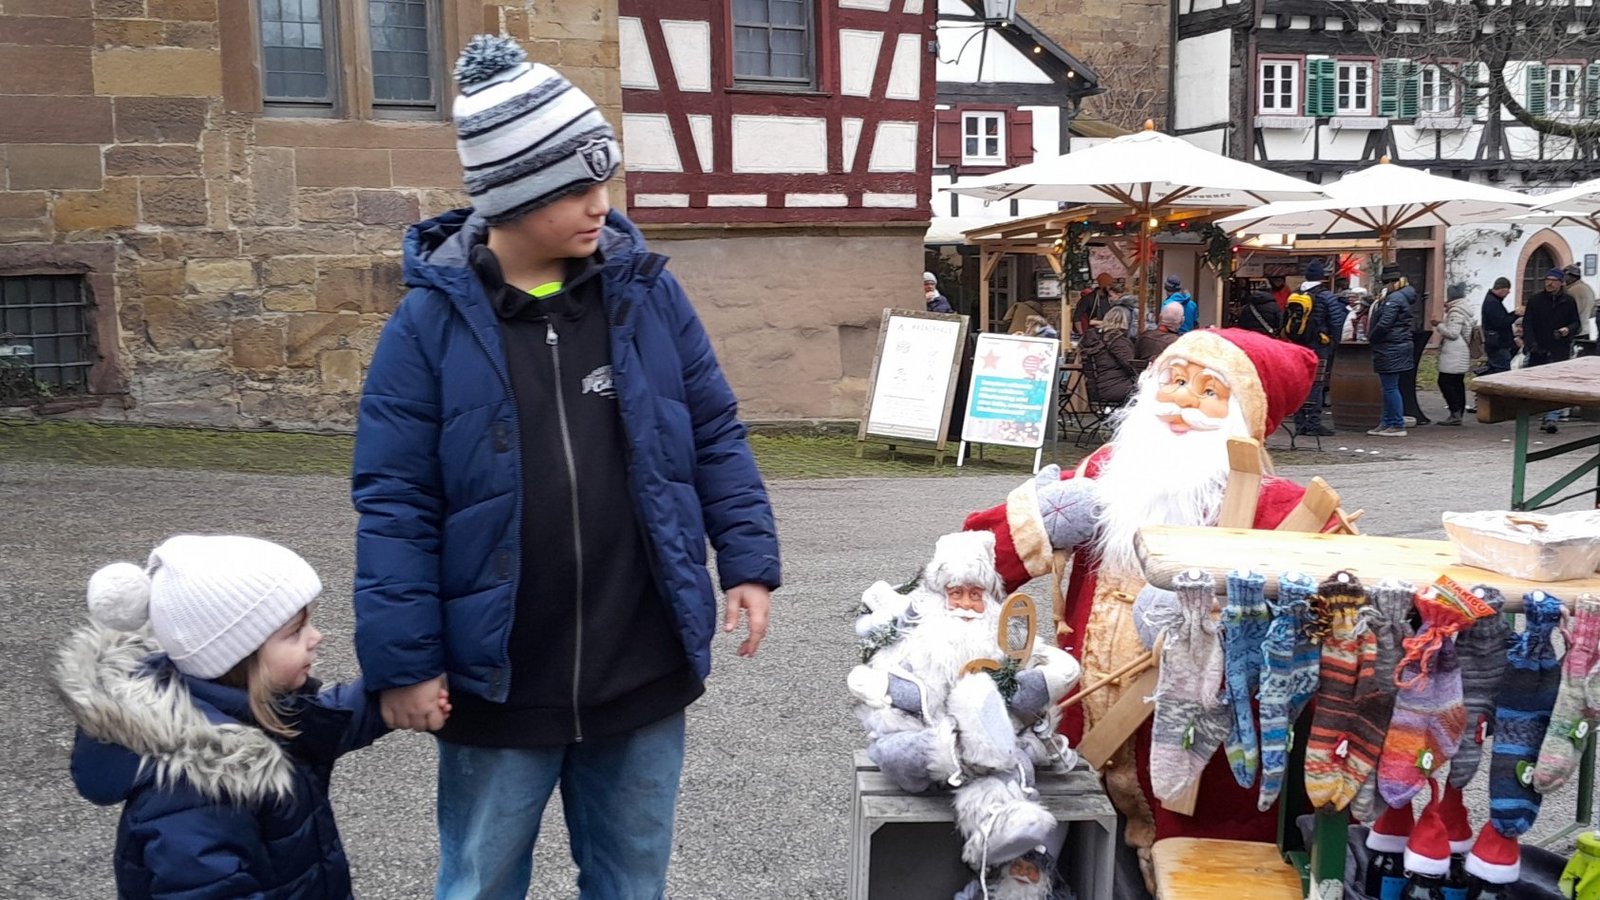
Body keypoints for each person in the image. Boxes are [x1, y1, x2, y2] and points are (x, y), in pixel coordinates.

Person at [352, 36, 782, 900]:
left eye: (605, 183)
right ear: (514, 196)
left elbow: (712, 429)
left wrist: (747, 561)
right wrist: (404, 664)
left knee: (631, 886)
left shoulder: (646, 290)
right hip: (499, 679)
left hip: (643, 662)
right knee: (477, 883)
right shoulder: (426, 328)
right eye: (579, 189)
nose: (602, 206)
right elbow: (394, 502)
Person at [961, 329, 1328, 889]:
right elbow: (980, 554)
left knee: (1205, 869)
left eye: (1209, 392)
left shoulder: (1279, 508)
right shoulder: (1107, 472)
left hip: (1203, 758)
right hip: (1080, 734)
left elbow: (1342, 603)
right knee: (1076, 866)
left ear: (1246, 418)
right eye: (1175, 381)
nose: (1181, 401)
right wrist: (1039, 520)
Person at [55, 535, 419, 899]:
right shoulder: (196, 785)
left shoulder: (251, 710)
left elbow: (327, 718)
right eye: (294, 632)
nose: (317, 637)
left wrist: (397, 691)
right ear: (236, 656)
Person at [848, 531, 1082, 875]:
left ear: (989, 598)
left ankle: (997, 828)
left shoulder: (1006, 636)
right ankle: (991, 805)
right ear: (939, 595)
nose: (966, 605)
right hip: (923, 738)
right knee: (896, 751)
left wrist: (1040, 683)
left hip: (996, 739)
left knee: (988, 716)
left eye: (975, 595)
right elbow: (892, 685)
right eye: (956, 594)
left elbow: (1032, 684)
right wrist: (884, 687)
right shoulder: (916, 635)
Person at [1523, 266, 1583, 433]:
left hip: (1559, 348)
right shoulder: (1536, 300)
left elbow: (1576, 323)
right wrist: (1531, 344)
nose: (1549, 284)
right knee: (1535, 383)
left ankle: (1551, 418)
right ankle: (1534, 412)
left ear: (1561, 283)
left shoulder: (1568, 301)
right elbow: (1528, 324)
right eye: (1547, 280)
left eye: (1553, 281)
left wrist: (1567, 330)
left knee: (1555, 384)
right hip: (1538, 347)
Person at [1290, 260, 1342, 437]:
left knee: (1299, 384)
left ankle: (1299, 422)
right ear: (1322, 277)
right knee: (1317, 384)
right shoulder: (1326, 296)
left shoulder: (1295, 294)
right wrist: (1334, 341)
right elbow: (1336, 321)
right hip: (1319, 346)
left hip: (1297, 347)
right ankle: (1314, 423)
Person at [1367, 267, 1416, 437]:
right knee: (1389, 387)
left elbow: (1384, 323)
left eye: (1387, 282)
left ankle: (1396, 424)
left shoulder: (1394, 299)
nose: (1385, 286)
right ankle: (1387, 422)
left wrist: (1372, 337)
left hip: (1391, 347)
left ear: (1393, 282)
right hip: (1395, 346)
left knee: (1390, 388)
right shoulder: (1400, 297)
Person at [1078, 305, 1140, 406]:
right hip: (1115, 388)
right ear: (1125, 322)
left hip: (1093, 389)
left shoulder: (1091, 338)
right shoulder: (1118, 341)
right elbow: (1131, 366)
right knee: (1150, 391)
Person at [1433, 283, 1474, 426]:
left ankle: (1455, 412)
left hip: (1454, 352)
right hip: (1460, 350)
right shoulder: (1463, 309)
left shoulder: (1455, 312)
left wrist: (1438, 324)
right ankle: (1458, 412)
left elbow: (1453, 333)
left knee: (1446, 382)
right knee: (1457, 383)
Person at [1479, 276, 1517, 375]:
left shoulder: (1492, 300)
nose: (1508, 294)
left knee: (1496, 369)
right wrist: (1515, 314)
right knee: (1501, 371)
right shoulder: (1492, 303)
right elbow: (1501, 322)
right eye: (1508, 291)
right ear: (1503, 289)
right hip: (1498, 344)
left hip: (1495, 343)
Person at [1566, 263, 1595, 343]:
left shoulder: (1572, 291)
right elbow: (1592, 311)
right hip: (1585, 329)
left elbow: (1568, 312)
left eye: (1565, 275)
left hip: (1574, 331)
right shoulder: (1587, 288)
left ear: (1571, 277)